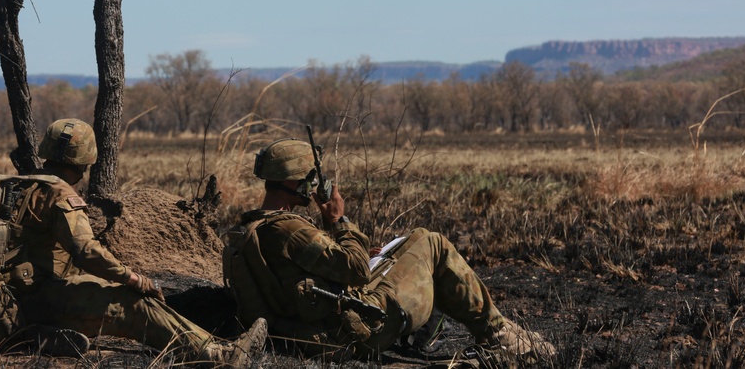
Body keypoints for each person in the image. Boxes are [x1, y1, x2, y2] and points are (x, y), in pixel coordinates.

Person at [222, 137, 555, 364]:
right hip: (359, 332)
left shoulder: (248, 231)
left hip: (310, 333)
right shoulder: (290, 230)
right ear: (294, 182)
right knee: (432, 242)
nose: (313, 184)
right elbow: (356, 269)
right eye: (310, 177)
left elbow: (304, 277)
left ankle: (439, 332)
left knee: (410, 242)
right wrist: (340, 222)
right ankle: (499, 337)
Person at [0, 118, 267, 368]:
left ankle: (39, 334)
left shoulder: (14, 185)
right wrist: (133, 278)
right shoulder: (59, 194)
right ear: (85, 162)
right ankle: (218, 357)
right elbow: (86, 252)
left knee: (101, 288)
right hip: (34, 298)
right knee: (133, 303)